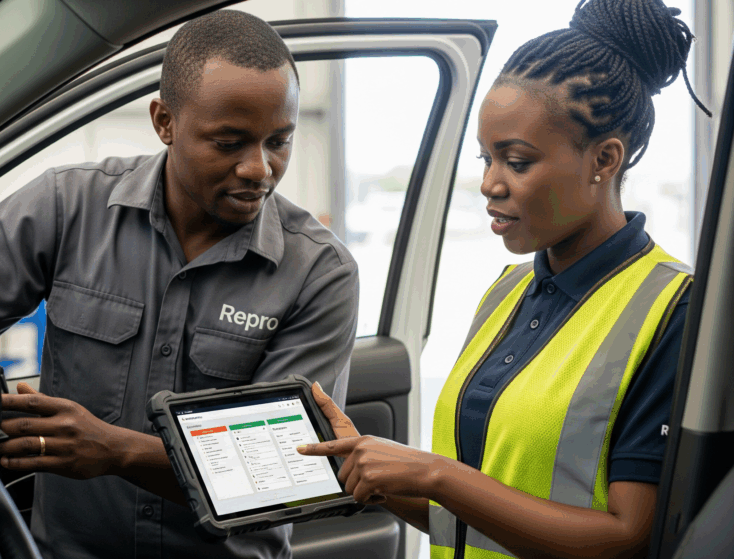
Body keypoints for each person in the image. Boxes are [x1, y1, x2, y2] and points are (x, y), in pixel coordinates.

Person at [0, 9, 358, 559]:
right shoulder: (68, 207)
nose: (259, 168)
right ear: (164, 122)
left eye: (279, 141)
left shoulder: (320, 272)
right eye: (229, 143)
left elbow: (286, 467)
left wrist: (115, 451)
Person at [298, 0, 711, 557]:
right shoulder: (507, 291)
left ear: (605, 159)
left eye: (516, 161)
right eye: (485, 159)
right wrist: (379, 471)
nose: (491, 183)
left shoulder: (674, 311)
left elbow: (628, 538)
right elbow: (472, 517)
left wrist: (435, 475)